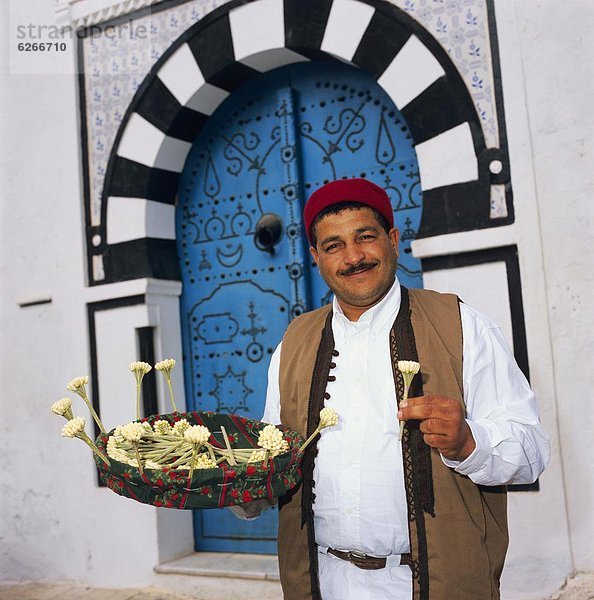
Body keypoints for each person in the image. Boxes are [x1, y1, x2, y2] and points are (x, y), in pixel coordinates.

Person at [260, 178, 549, 600]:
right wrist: (227, 479)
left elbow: (532, 452)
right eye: (334, 245)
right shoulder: (294, 343)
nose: (353, 257)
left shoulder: (463, 327)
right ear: (316, 257)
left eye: (366, 237)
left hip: (431, 583)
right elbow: (272, 457)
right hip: (321, 581)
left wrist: (470, 442)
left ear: (393, 240)